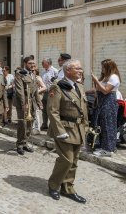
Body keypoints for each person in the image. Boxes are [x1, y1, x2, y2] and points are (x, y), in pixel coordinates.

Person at [47, 59, 88, 204]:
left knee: (74, 161)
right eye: (77, 68)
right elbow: (53, 111)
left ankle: (67, 187)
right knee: (67, 159)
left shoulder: (80, 87)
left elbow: (83, 109)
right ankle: (53, 185)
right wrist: (59, 131)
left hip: (78, 129)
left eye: (80, 68)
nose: (80, 71)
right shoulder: (57, 87)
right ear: (68, 70)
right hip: (64, 129)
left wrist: (86, 127)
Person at [91, 59, 121, 157]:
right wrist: (96, 82)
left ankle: (109, 149)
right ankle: (103, 146)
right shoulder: (105, 77)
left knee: (108, 125)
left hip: (108, 103)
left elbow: (105, 91)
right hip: (101, 102)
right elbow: (98, 89)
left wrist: (96, 80)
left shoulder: (113, 77)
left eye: (104, 67)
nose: (102, 69)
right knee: (101, 124)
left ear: (109, 67)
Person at [15, 56, 42, 155]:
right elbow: (20, 91)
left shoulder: (33, 74)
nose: (33, 65)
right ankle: (19, 144)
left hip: (32, 102)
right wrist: (23, 103)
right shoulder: (19, 74)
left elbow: (35, 90)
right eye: (30, 63)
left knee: (30, 123)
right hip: (24, 103)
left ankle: (25, 142)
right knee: (23, 124)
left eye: (33, 63)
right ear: (25, 63)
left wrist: (39, 102)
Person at [41, 58, 58, 130]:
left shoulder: (55, 71)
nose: (42, 63)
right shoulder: (44, 72)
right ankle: (44, 124)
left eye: (43, 62)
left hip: (52, 93)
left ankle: (52, 126)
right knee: (44, 109)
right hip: (44, 93)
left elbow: (57, 83)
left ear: (48, 63)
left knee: (51, 110)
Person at [33, 68, 46, 134]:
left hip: (36, 97)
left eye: (33, 71)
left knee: (36, 112)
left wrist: (36, 92)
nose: (32, 72)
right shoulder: (32, 77)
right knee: (33, 112)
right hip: (32, 97)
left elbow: (44, 87)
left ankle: (37, 129)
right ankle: (33, 128)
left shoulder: (38, 78)